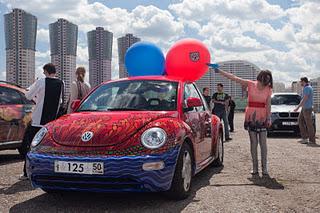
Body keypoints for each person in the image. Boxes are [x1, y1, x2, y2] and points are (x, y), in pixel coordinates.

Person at [212, 66, 273, 176]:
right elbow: (234, 78)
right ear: (261, 77)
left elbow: (268, 105)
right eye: (265, 78)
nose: (267, 80)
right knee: (253, 143)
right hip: (251, 116)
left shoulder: (269, 89)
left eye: (269, 79)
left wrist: (269, 118)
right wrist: (219, 71)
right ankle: (255, 168)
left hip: (262, 116)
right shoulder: (250, 83)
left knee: (263, 143)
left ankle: (264, 169)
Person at [20, 63, 63, 180]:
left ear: (47, 72)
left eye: (44, 72)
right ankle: (49, 172)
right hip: (51, 122)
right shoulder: (61, 83)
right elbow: (60, 102)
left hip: (37, 120)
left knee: (31, 147)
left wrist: (33, 84)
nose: (43, 74)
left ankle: (26, 173)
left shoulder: (41, 82)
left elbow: (28, 96)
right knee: (49, 148)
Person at [294, 77, 316, 145]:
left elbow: (305, 99)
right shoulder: (307, 87)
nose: (300, 83)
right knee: (300, 121)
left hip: (307, 108)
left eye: (301, 82)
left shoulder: (307, 88)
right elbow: (303, 98)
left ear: (303, 81)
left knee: (309, 124)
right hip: (304, 108)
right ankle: (304, 138)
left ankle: (312, 140)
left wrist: (297, 107)